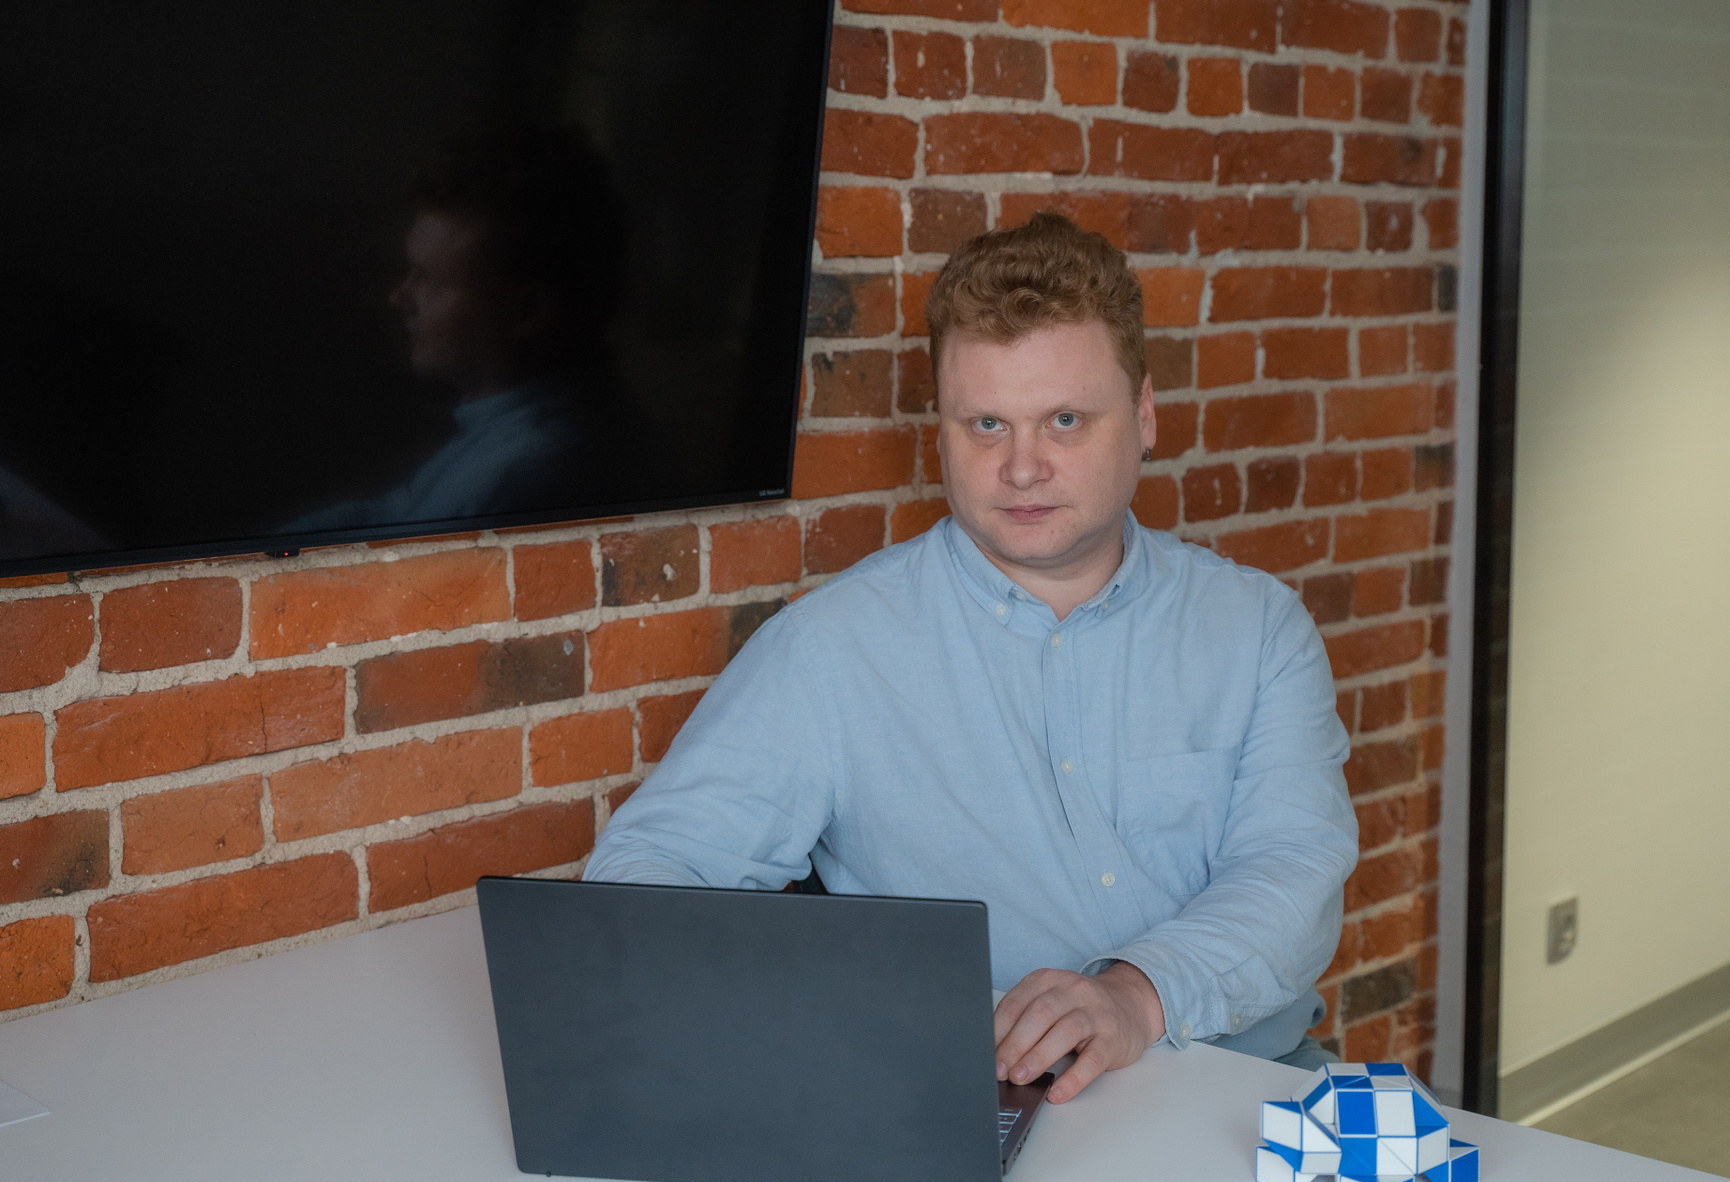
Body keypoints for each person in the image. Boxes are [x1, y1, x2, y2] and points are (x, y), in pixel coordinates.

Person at [584, 213, 1357, 1103]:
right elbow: (649, 877)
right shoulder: (832, 651)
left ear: (1143, 416)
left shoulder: (1256, 628)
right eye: (986, 423)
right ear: (941, 431)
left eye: (1065, 421)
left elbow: (1294, 870)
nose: (1022, 468)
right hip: (980, 1100)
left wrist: (1134, 997)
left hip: (1246, 1088)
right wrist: (836, 1018)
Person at [286, 123, 640, 533]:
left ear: (527, 312)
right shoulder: (502, 427)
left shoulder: (516, 480)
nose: (399, 298)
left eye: (429, 279)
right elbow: (387, 515)